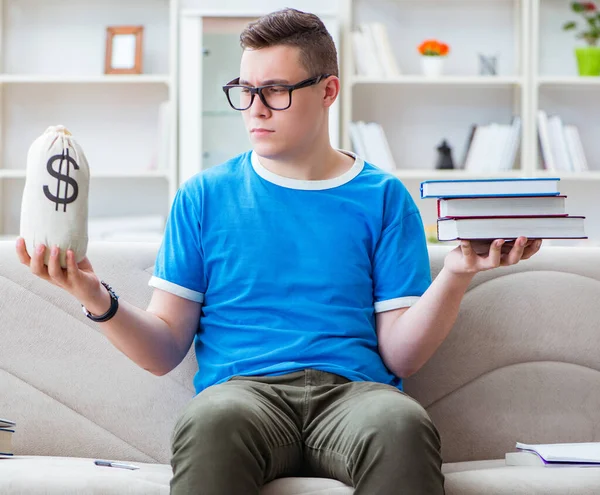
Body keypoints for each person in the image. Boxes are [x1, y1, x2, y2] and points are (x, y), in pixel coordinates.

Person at [15, 8, 542, 495]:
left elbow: (400, 354)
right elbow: (163, 349)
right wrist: (92, 294)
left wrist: (455, 272)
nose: (255, 109)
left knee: (402, 424)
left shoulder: (383, 198)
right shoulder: (204, 197)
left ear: (328, 89)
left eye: (275, 91)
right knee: (211, 422)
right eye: (244, 90)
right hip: (243, 395)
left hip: (355, 396)